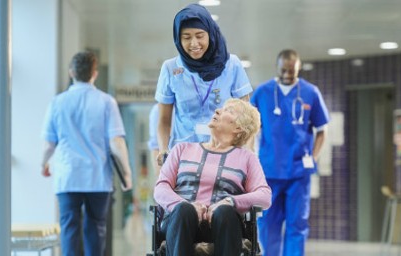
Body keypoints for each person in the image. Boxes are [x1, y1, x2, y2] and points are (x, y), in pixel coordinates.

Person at [40, 51, 133, 256]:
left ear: (71, 72)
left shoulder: (58, 102)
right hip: (97, 177)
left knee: (69, 228)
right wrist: (127, 175)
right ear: (95, 73)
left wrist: (43, 164)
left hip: (68, 175)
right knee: (96, 228)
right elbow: (117, 142)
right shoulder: (107, 102)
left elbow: (49, 144)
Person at [154, 98, 272, 256]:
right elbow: (160, 189)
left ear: (239, 128)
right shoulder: (181, 149)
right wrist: (187, 205)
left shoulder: (247, 158)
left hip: (223, 225)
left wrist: (230, 201)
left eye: (228, 110)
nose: (218, 111)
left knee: (225, 212)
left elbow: (265, 197)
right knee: (184, 210)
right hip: (181, 222)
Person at [251, 49, 330, 256]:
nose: (287, 75)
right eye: (283, 70)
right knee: (268, 224)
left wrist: (313, 157)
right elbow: (250, 129)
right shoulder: (262, 92)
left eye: (291, 71)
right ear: (277, 68)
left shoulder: (311, 92)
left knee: (297, 224)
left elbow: (322, 130)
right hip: (269, 171)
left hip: (298, 172)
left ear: (299, 68)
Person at [155, 3, 253, 166]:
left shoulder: (232, 65)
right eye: (186, 37)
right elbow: (164, 119)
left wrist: (248, 151)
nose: (194, 44)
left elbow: (246, 118)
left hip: (225, 156)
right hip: (185, 156)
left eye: (200, 35)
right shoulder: (171, 69)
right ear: (178, 39)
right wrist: (163, 149)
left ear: (210, 34)